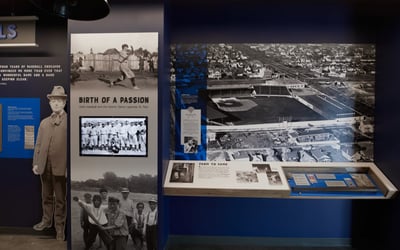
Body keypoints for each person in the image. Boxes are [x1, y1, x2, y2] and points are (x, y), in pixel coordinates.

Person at [32, 85, 67, 241]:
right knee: (46, 196)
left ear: (64, 103)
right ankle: (46, 221)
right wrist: (36, 163)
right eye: (53, 101)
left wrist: (68, 168)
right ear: (50, 103)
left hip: (60, 168)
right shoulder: (44, 123)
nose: (56, 103)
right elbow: (38, 145)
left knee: (60, 199)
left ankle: (60, 229)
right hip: (44, 166)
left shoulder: (69, 122)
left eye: (59, 100)